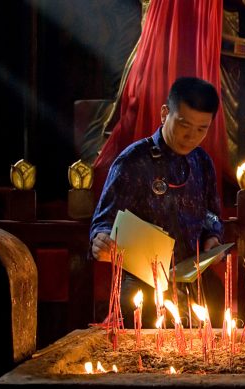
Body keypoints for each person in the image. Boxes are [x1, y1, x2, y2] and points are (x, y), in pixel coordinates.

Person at [90, 76, 225, 329]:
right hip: (144, 287)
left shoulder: (202, 162)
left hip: (194, 282)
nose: (191, 136)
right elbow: (104, 220)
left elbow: (211, 214)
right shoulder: (133, 161)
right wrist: (102, 238)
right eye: (184, 124)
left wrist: (212, 238)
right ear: (165, 113)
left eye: (202, 129)